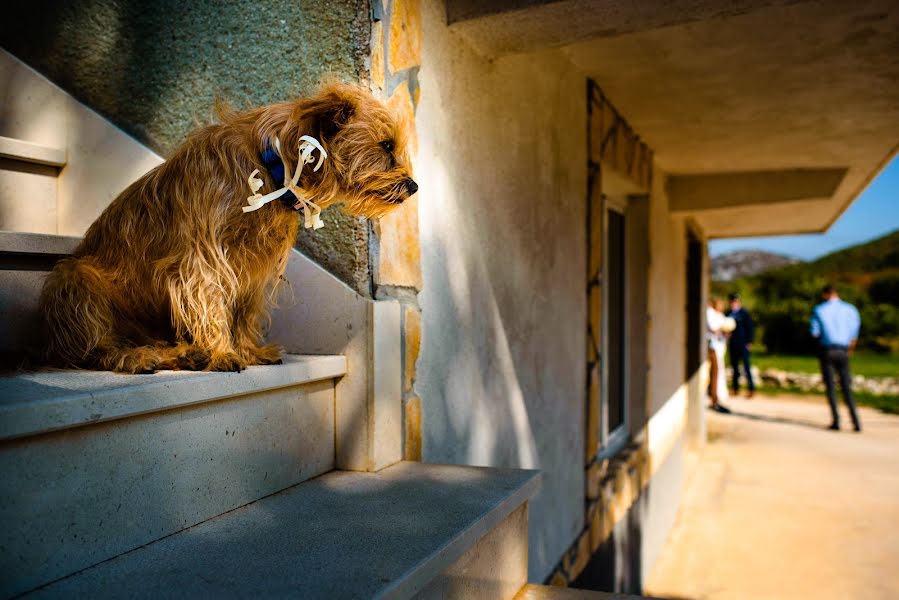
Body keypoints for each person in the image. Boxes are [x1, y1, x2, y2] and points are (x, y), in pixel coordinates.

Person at [811, 284, 862, 432]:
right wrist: (849, 350)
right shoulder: (850, 309)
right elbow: (854, 334)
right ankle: (856, 422)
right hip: (844, 351)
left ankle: (836, 421)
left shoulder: (819, 310)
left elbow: (815, 333)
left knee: (831, 387)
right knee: (847, 387)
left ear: (825, 294)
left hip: (827, 350)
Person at [706, 298, 734, 413]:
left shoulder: (718, 315)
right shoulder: (709, 313)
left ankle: (716, 398)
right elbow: (713, 328)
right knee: (715, 373)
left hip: (718, 347)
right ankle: (714, 398)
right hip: (713, 347)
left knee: (718, 373)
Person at [726, 293, 755, 397]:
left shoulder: (744, 313)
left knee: (747, 367)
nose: (734, 303)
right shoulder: (728, 313)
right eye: (732, 301)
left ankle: (751, 389)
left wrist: (749, 341)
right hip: (733, 344)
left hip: (743, 344)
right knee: (734, 368)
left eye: (735, 301)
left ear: (739, 302)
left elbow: (750, 328)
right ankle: (735, 389)